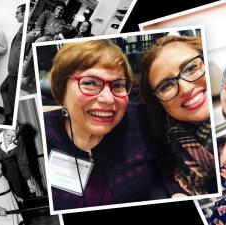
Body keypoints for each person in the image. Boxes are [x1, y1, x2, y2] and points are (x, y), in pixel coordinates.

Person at [45, 40, 169, 209]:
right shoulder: (44, 134)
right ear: (62, 91)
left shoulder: (141, 118)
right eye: (89, 83)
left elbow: (168, 169)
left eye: (118, 85)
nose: (108, 99)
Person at [140, 35, 217, 195]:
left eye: (190, 68)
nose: (186, 89)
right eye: (166, 85)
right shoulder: (168, 147)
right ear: (158, 102)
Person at [0, 128, 36, 220]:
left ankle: (18, 220)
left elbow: (23, 162)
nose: (10, 139)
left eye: (13, 136)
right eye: (8, 135)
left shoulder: (19, 140)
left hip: (11, 166)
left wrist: (28, 181)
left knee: (16, 194)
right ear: (3, 131)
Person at [0, 4, 25, 125]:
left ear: (24, 14)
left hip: (15, 67)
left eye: (18, 12)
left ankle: (10, 119)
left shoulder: (24, 28)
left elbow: (21, 48)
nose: (16, 14)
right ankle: (9, 115)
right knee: (3, 89)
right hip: (14, 66)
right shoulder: (22, 27)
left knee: (11, 94)